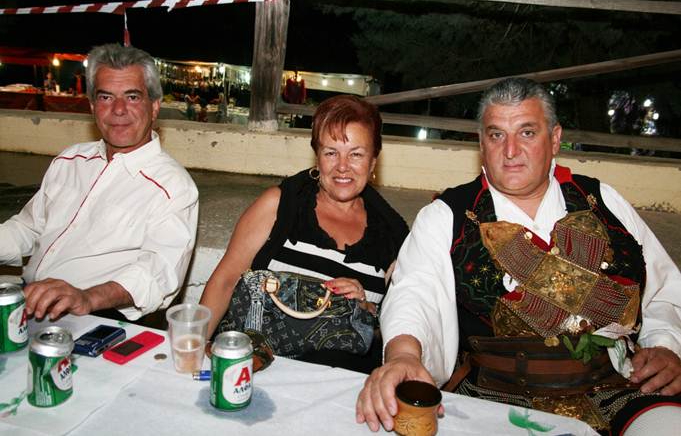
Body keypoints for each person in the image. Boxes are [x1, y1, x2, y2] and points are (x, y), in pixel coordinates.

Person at [356, 78, 681, 435]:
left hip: (615, 386)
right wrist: (403, 355)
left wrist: (665, 346)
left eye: (527, 133)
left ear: (554, 139)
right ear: (481, 144)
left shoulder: (602, 201)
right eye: (496, 135)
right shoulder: (448, 215)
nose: (510, 151)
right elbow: (416, 291)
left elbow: (663, 290)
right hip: (497, 395)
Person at [200, 95, 409, 373]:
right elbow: (225, 281)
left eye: (356, 154)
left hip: (340, 386)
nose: (342, 166)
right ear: (317, 157)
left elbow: (393, 327)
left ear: (373, 163)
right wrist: (193, 349)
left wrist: (364, 308)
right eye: (331, 152)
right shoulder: (280, 205)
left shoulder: (393, 235)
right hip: (255, 373)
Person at [0, 43, 199, 322]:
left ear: (154, 107)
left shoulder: (173, 187)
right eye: (106, 97)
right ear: (93, 106)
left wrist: (87, 297)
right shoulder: (70, 160)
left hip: (96, 316)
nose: (118, 110)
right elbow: (28, 228)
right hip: (29, 301)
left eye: (132, 97)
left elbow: (158, 273)